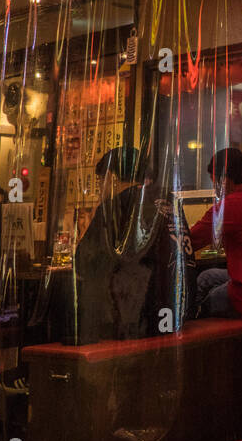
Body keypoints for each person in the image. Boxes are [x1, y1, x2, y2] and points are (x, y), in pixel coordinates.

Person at [71, 147, 194, 343]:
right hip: (178, 311)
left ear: (111, 177)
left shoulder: (116, 206)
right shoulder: (169, 200)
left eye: (99, 181)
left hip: (140, 320)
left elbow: (82, 262)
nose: (99, 188)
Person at [188, 147, 242, 317]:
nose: (215, 190)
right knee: (207, 277)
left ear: (224, 180)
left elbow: (190, 241)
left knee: (209, 299)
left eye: (214, 183)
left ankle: (197, 323)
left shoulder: (228, 207)